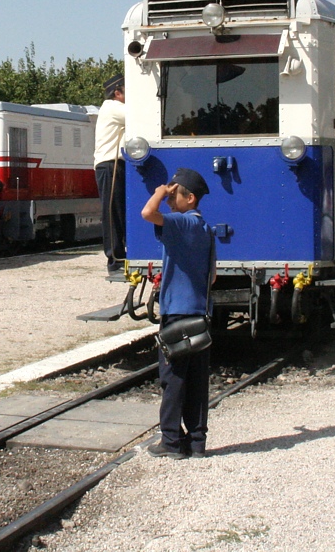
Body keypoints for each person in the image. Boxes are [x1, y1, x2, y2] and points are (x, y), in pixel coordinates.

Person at [140, 168, 214, 458]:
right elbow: (213, 277)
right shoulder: (206, 229)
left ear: (190, 198)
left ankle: (170, 442)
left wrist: (160, 191)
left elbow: (148, 212)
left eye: (175, 195)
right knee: (197, 382)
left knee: (172, 380)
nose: (170, 201)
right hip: (200, 315)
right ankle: (196, 444)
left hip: (177, 315)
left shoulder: (182, 223)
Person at [94, 74, 126, 279]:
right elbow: (141, 115)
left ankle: (118, 255)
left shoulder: (112, 108)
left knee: (118, 210)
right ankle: (114, 258)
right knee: (112, 211)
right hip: (110, 165)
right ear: (117, 93)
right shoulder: (114, 107)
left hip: (113, 164)